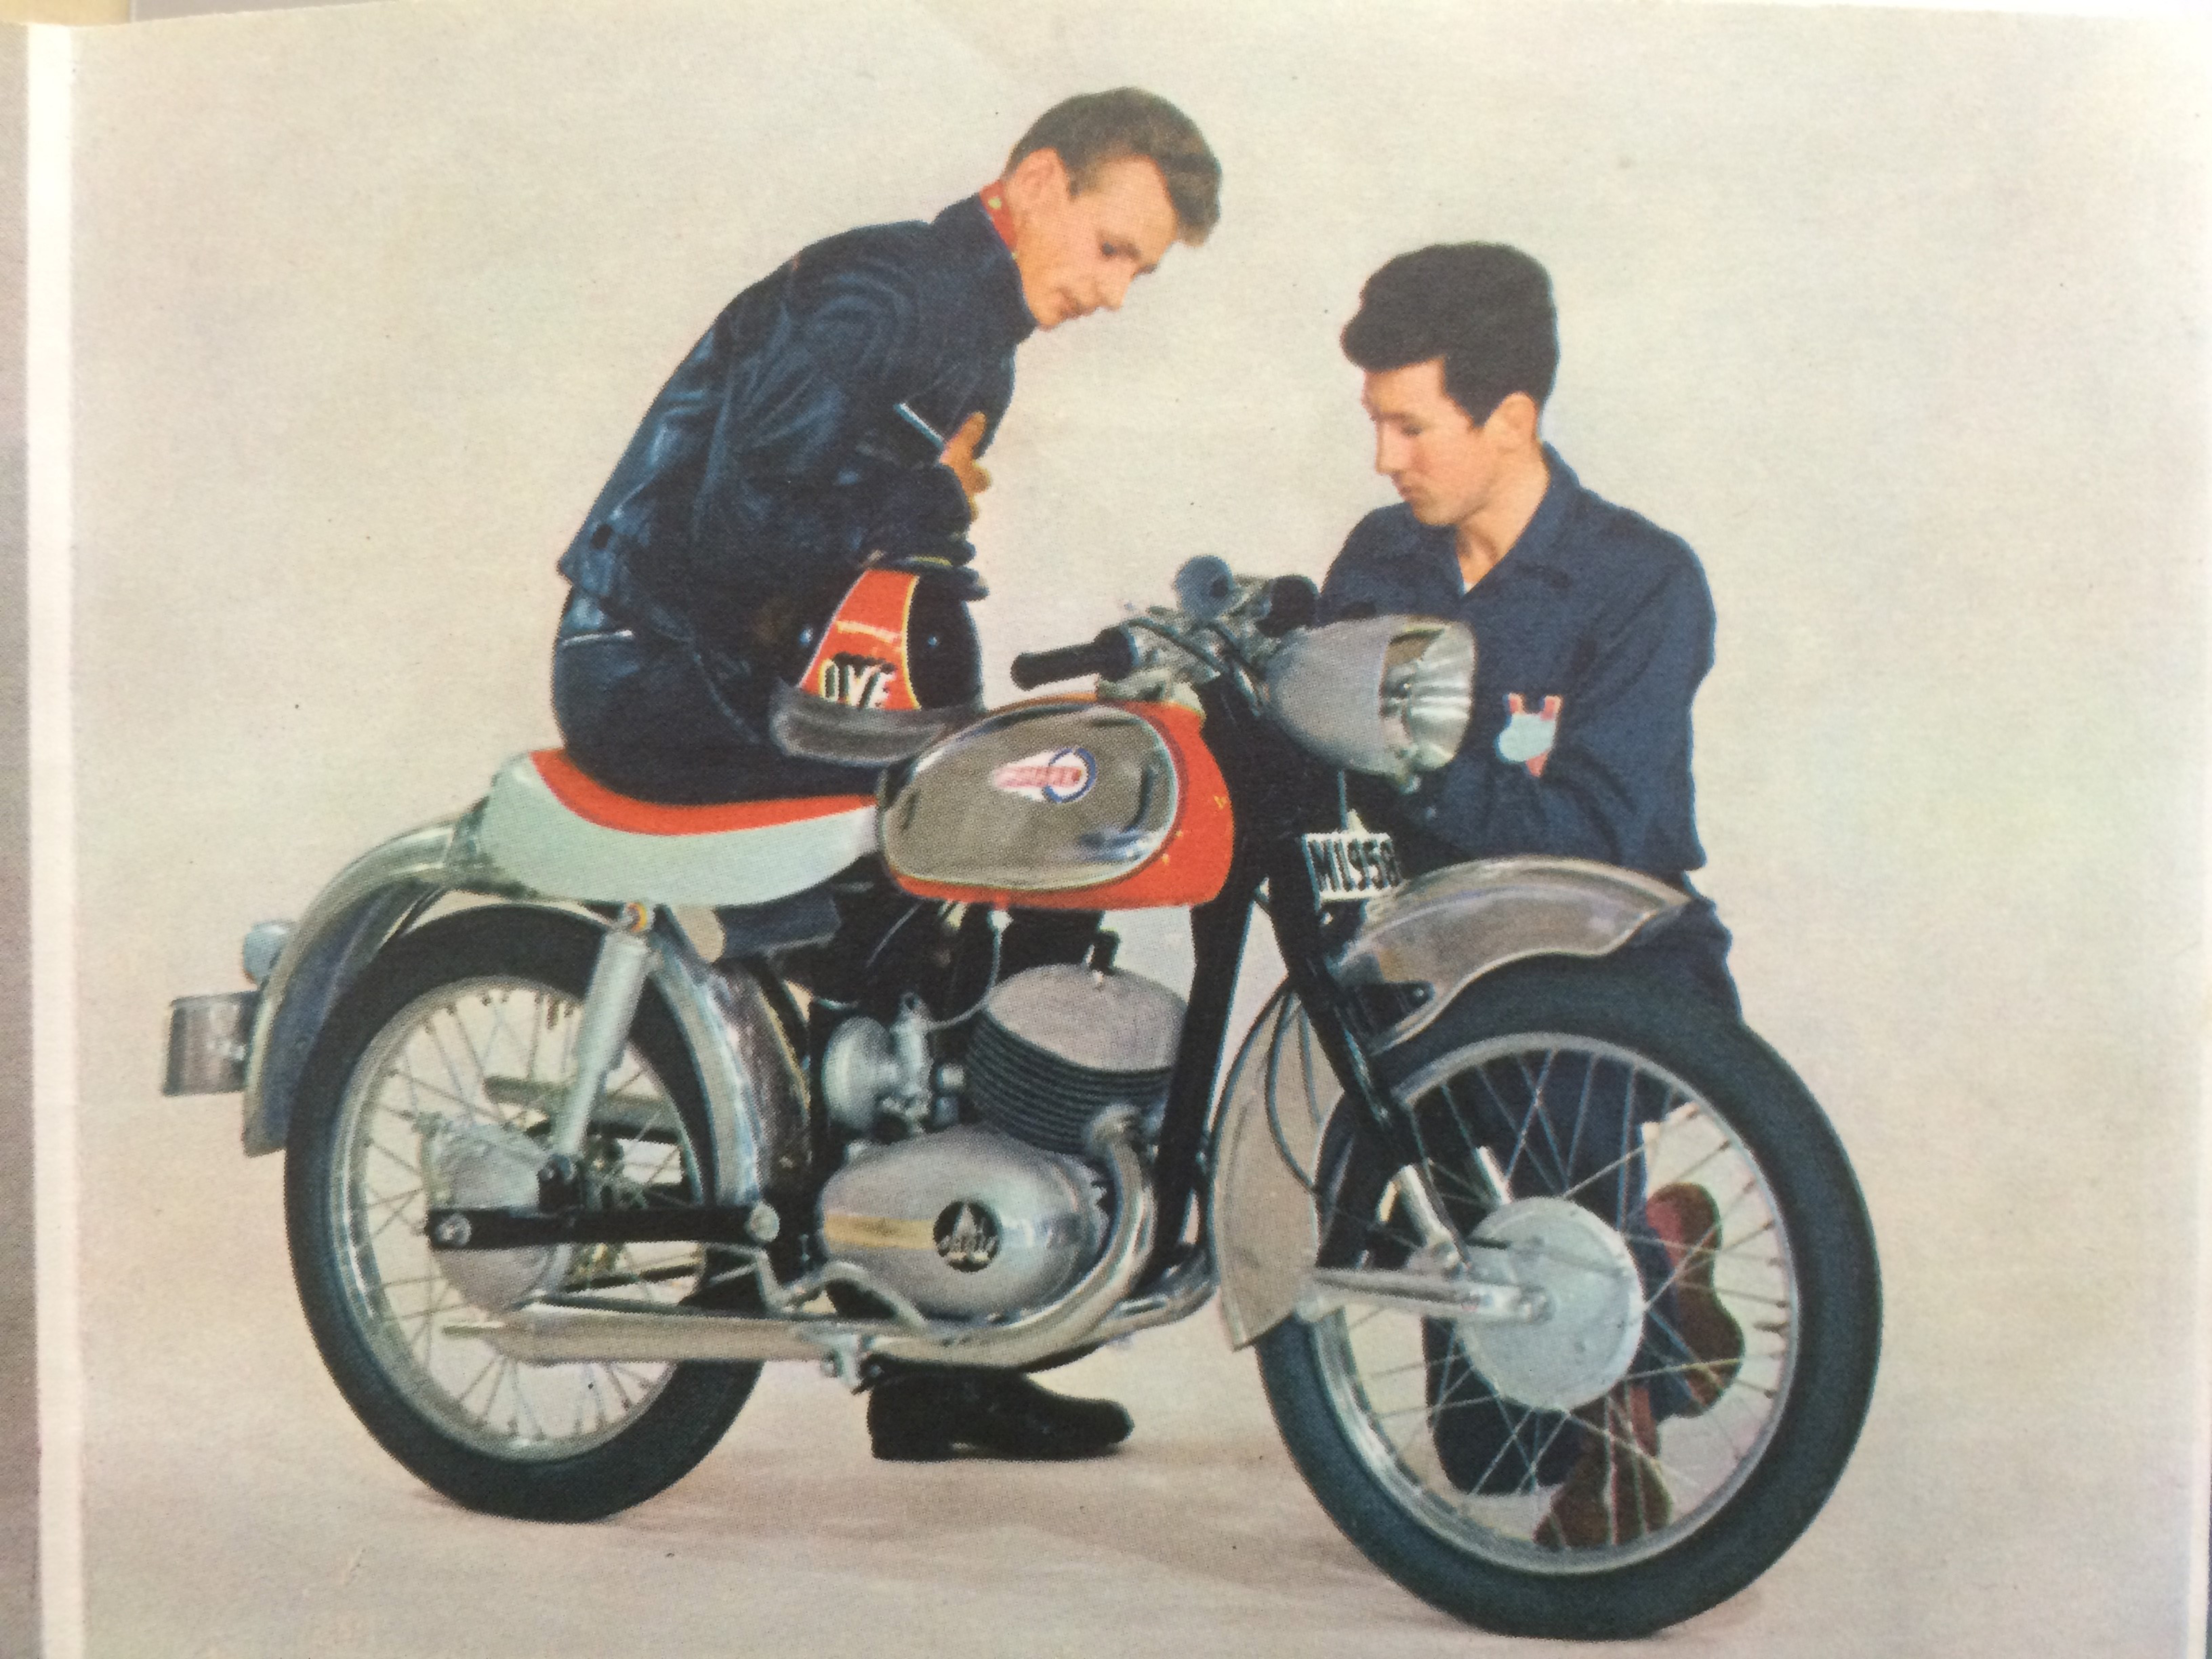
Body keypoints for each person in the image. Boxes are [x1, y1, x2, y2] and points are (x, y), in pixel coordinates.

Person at [548, 90, 1223, 1462]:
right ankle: (870, 1246)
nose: (1112, 293)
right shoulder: (877, 291)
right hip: (653, 665)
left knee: (1041, 827)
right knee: (968, 862)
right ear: (1038, 182)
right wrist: (924, 497)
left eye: (1137, 273)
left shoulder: (978, 343)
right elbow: (738, 526)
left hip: (778, 683)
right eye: (1111, 249)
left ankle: (945, 1343)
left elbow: (885, 575)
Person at [1317, 243, 1744, 1546]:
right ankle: (1661, 1251)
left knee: (1554, 1070)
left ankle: (1617, 1433)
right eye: (1376, 423)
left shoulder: (1641, 581)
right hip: (1429, 964)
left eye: (1411, 426)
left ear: (1510, 417)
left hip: (1610, 962)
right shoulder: (1381, 562)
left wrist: (1417, 766)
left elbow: (1601, 835)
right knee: (1486, 1453)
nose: (1385, 458)